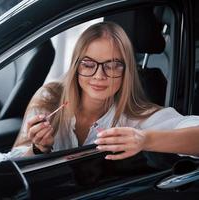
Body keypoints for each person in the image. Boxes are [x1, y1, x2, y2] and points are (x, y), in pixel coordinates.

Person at [12, 21, 199, 158]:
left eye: (112, 65)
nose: (99, 76)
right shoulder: (50, 97)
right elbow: (13, 167)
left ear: (126, 70)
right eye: (88, 64)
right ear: (76, 66)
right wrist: (38, 149)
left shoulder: (135, 116)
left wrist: (145, 139)